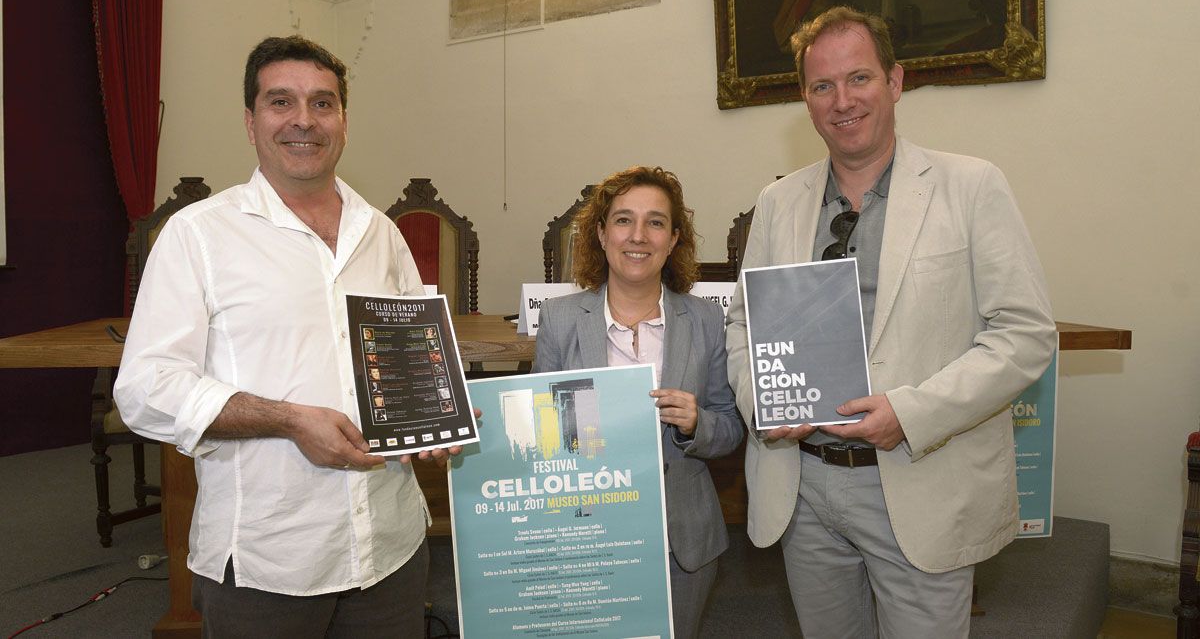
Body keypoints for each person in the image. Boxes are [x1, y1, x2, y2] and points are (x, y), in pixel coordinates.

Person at [725, 7, 1055, 637]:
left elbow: (1024, 335)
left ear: (896, 82)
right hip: (803, 487)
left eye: (859, 79)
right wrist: (765, 399)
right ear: (805, 98)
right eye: (823, 86)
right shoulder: (778, 202)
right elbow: (743, 326)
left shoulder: (972, 185)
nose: (842, 100)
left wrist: (910, 412)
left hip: (916, 477)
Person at [114, 36, 458, 638]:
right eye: (281, 102)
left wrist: (437, 416)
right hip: (269, 562)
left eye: (323, 103)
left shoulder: (382, 234)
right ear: (250, 122)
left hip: (390, 548)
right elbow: (145, 389)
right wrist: (288, 419)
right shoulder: (198, 236)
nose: (304, 120)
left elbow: (409, 364)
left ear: (344, 121)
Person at [534, 166, 744, 638]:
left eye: (655, 222)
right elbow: (541, 437)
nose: (638, 235)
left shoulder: (706, 319)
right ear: (603, 233)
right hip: (588, 533)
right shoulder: (561, 319)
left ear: (673, 240)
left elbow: (731, 427)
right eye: (624, 219)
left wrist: (696, 424)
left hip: (682, 538)